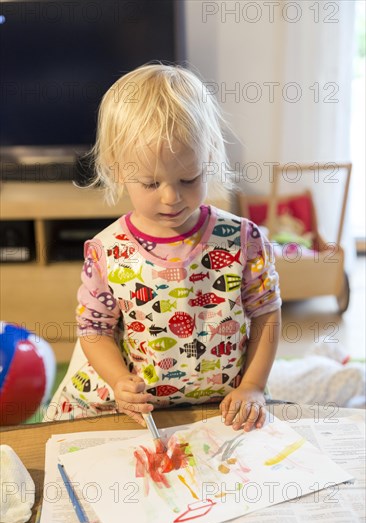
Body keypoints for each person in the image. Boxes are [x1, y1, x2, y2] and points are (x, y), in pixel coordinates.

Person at [51, 63, 282, 430]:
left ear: (208, 159)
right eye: (150, 183)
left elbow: (266, 313)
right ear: (117, 169)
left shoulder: (243, 238)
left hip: (225, 405)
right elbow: (94, 330)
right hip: (143, 413)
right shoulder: (107, 250)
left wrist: (253, 386)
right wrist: (117, 382)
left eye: (189, 179)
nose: (172, 197)